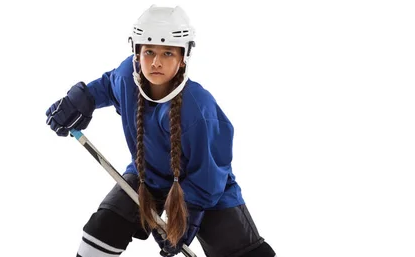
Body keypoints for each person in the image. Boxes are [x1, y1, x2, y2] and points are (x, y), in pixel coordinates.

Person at [45, 5, 276, 257]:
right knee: (101, 230)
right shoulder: (127, 76)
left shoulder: (199, 108)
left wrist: (184, 222)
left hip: (206, 189)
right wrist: (80, 100)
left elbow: (209, 175)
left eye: (167, 53)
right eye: (149, 52)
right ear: (136, 52)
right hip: (147, 176)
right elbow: (107, 87)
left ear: (183, 57)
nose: (156, 62)